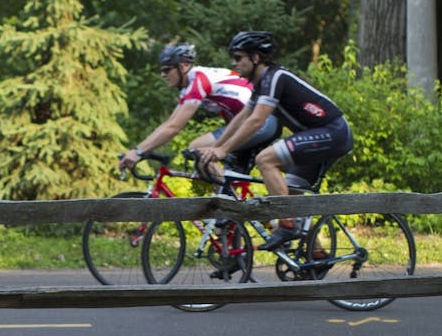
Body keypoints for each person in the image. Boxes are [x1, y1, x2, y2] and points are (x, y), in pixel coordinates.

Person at [197, 31, 353, 250]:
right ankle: (317, 256)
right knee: (290, 196)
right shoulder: (261, 85)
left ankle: (286, 225)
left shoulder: (275, 77)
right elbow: (241, 118)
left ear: (256, 58)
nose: (234, 63)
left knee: (265, 159)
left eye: (238, 57)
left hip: (333, 131)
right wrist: (216, 146)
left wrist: (223, 150)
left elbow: (256, 121)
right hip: (316, 135)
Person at [117, 43, 279, 176]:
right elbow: (169, 123)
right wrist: (141, 149)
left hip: (260, 121)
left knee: (197, 148)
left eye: (167, 69)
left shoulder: (199, 80)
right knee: (205, 164)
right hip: (250, 123)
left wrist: (137, 152)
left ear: (183, 66)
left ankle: (228, 203)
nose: (162, 74)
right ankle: (228, 208)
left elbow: (174, 128)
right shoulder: (191, 85)